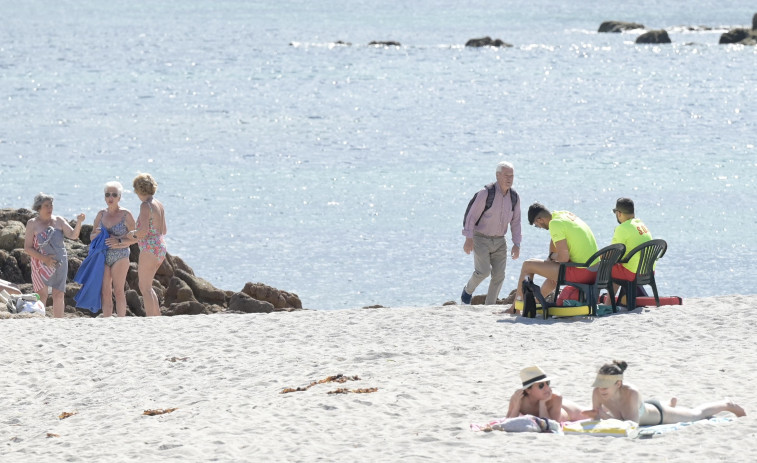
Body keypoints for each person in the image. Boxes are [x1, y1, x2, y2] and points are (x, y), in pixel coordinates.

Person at [586, 360, 746, 425]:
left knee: (696, 414)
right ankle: (670, 403)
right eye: (600, 385)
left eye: (605, 386)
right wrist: (595, 414)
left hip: (661, 415)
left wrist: (605, 416)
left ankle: (727, 404)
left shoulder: (631, 393)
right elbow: (597, 415)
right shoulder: (597, 392)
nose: (601, 389)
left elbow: (631, 425)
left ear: (618, 383)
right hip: (644, 407)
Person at [510, 203, 598, 312]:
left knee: (527, 265)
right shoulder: (563, 215)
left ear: (540, 220)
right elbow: (555, 240)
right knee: (553, 279)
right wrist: (550, 259)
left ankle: (516, 307)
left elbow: (564, 258)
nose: (540, 228)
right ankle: (537, 302)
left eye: (537, 225)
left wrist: (553, 256)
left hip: (582, 272)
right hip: (595, 271)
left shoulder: (554, 224)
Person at [461, 161, 521, 305]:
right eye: (506, 175)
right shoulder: (486, 193)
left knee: (499, 275)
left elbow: (516, 221)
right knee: (483, 272)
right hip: (480, 238)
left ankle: (489, 306)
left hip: (500, 241)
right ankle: (467, 291)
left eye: (512, 176)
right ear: (497, 175)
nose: (509, 179)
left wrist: (516, 243)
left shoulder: (514, 197)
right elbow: (471, 216)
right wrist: (468, 238)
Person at [23, 193, 85, 318]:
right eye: (46, 205)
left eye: (51, 205)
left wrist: (79, 222)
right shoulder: (32, 223)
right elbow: (27, 248)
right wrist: (44, 259)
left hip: (60, 263)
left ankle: (58, 324)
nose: (50, 208)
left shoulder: (59, 221)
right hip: (40, 263)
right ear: (39, 207)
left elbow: (73, 235)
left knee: (59, 294)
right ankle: (40, 322)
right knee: (42, 294)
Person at [90, 181, 137, 317]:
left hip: (120, 255)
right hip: (103, 256)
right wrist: (97, 235)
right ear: (105, 197)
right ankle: (107, 319)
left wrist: (119, 241)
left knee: (118, 290)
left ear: (119, 197)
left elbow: (136, 237)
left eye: (114, 195)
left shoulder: (126, 215)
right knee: (105, 291)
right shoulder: (101, 215)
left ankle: (121, 320)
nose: (111, 197)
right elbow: (92, 235)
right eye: (107, 194)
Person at [131, 173, 167, 317]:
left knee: (144, 287)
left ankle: (151, 318)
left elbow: (143, 231)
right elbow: (163, 230)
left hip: (149, 248)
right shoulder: (159, 204)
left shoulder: (145, 206)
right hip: (160, 246)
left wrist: (132, 234)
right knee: (148, 286)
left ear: (138, 190)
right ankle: (156, 317)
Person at [507, 366, 586, 422]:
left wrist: (542, 404)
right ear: (528, 390)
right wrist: (516, 407)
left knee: (592, 413)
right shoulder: (517, 398)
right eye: (541, 385)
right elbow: (508, 422)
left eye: (547, 383)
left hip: (568, 412)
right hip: (556, 406)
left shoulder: (556, 398)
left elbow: (550, 424)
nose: (547, 388)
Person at [609, 197, 652, 300]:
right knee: (618, 267)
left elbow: (612, 254)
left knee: (605, 267)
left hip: (632, 274)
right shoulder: (642, 225)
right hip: (648, 272)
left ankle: (606, 304)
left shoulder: (622, 228)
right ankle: (611, 301)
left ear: (619, 213)